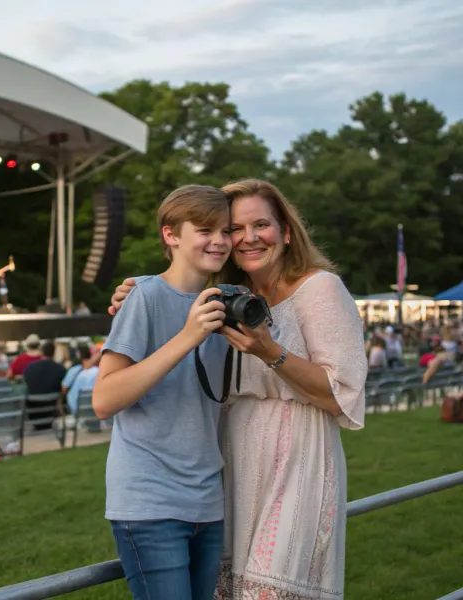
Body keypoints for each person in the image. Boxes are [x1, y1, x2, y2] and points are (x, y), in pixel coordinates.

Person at [109, 178, 367, 599]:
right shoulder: (228, 295)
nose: (247, 238)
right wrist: (137, 288)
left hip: (297, 455)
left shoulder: (319, 287)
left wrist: (271, 351)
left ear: (286, 231)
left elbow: (340, 393)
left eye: (261, 224)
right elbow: (173, 288)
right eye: (233, 228)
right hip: (231, 460)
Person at [93, 185, 232, 600]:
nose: (220, 240)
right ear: (171, 235)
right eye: (206, 229)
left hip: (208, 498)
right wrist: (188, 336)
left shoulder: (228, 301)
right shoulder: (146, 296)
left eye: (226, 230)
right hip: (150, 500)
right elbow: (104, 399)